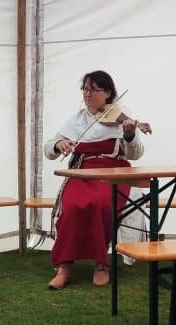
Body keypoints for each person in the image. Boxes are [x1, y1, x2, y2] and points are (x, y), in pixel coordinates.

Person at [43, 70, 149, 290]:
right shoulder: (78, 118)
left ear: (108, 92)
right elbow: (49, 149)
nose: (87, 94)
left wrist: (129, 135)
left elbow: (136, 153)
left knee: (102, 204)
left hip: (114, 172)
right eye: (85, 89)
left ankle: (102, 264)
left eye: (93, 89)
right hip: (82, 171)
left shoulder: (121, 115)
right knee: (72, 207)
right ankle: (64, 266)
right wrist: (57, 145)